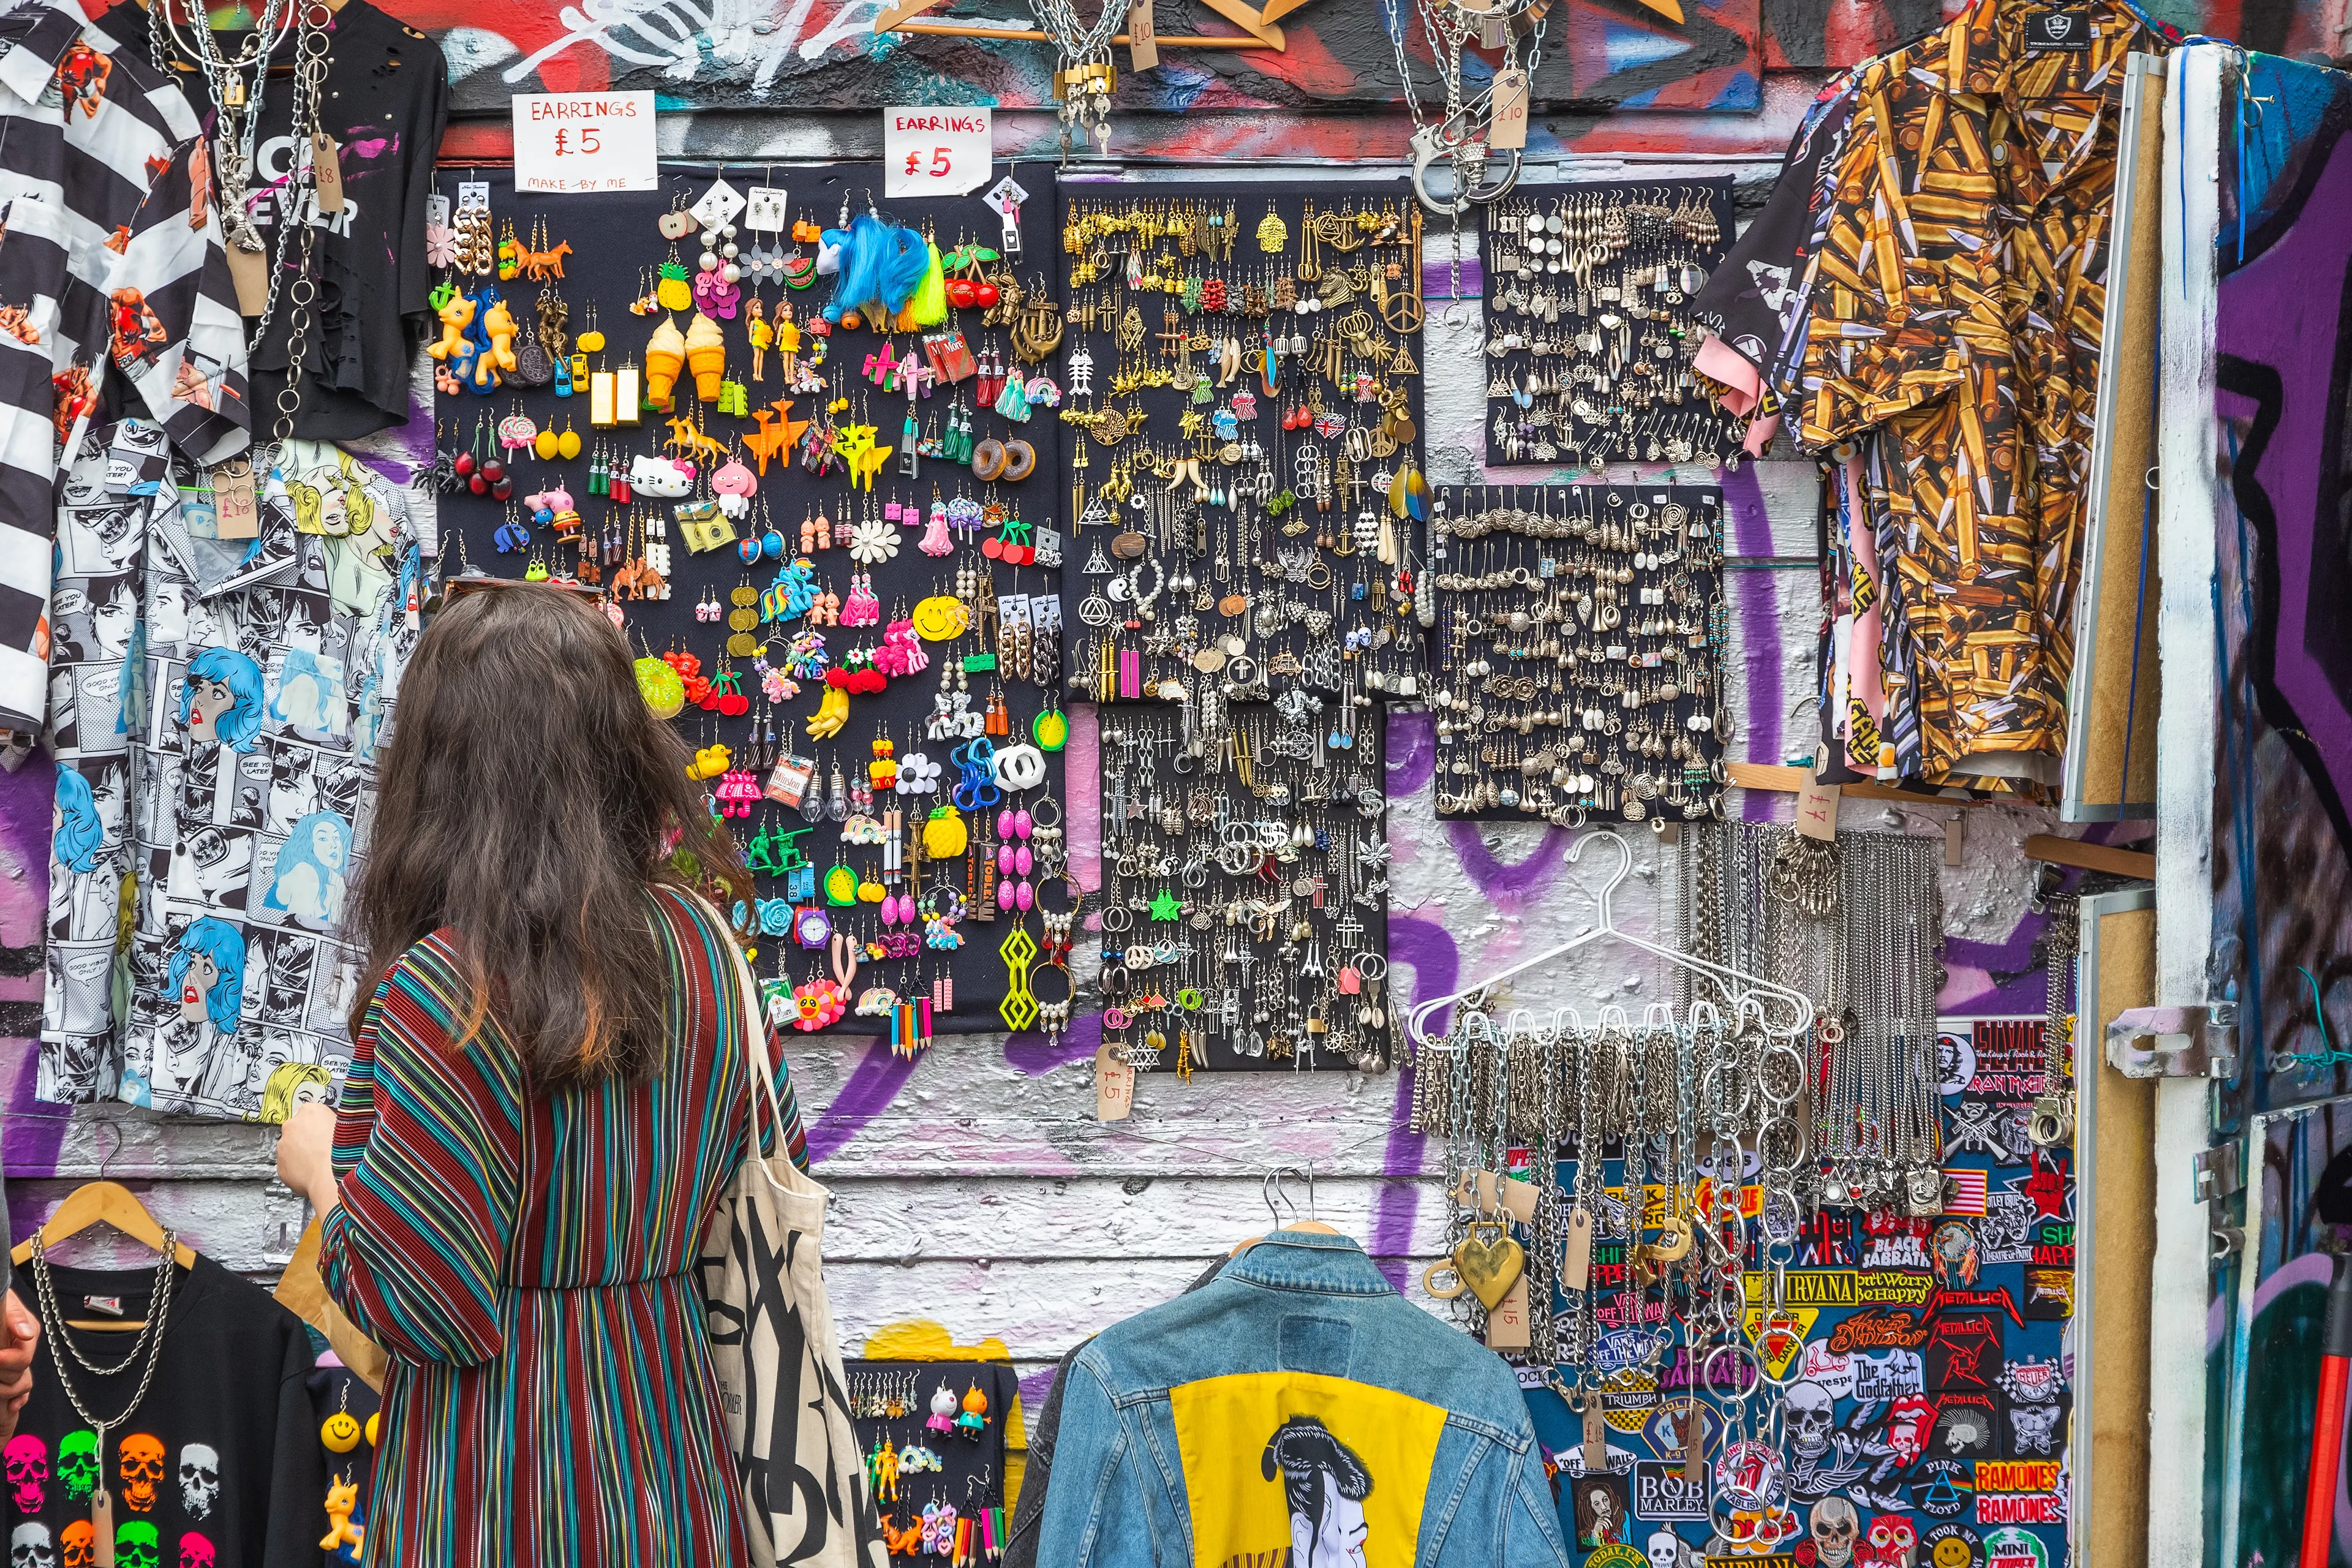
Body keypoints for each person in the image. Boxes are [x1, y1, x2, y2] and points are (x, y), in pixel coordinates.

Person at [273, 584, 809, 1565]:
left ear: (440, 769)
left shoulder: (451, 986)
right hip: (676, 1457)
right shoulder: (702, 945)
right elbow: (768, 1170)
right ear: (621, 752)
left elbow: (422, 1303)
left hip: (496, 1478)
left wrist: (318, 1170)